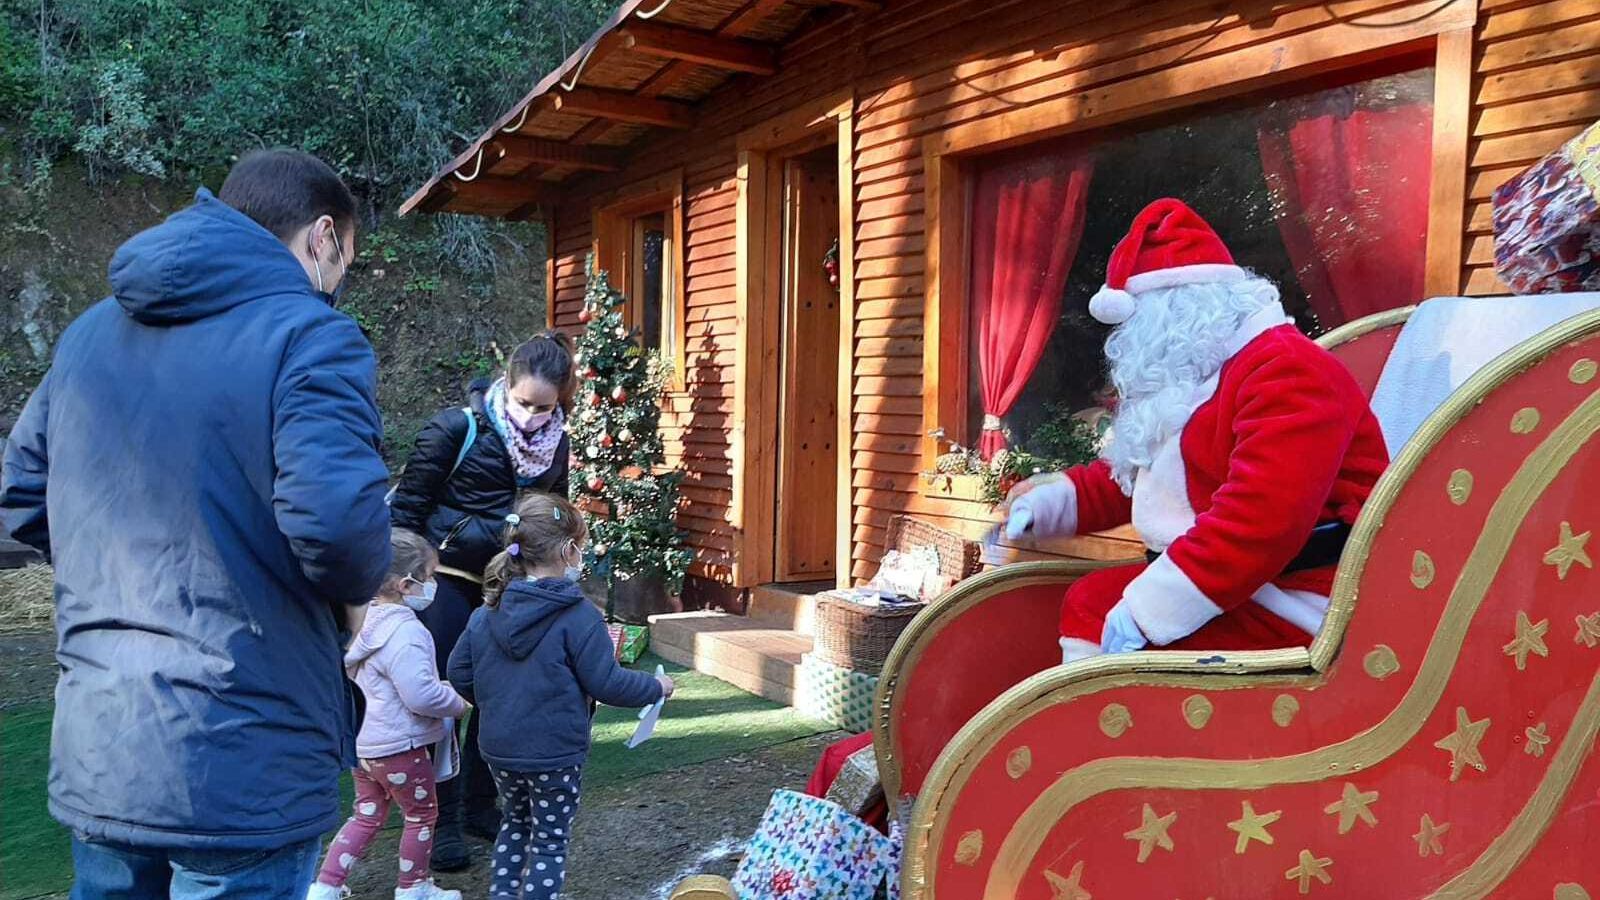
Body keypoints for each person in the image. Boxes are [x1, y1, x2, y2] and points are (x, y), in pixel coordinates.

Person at [0, 149, 391, 896]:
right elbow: (341, 531)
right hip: (243, 752)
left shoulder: (86, 336)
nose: (338, 284)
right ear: (323, 239)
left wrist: (122, 576)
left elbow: (23, 490)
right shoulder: (311, 335)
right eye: (345, 263)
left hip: (104, 744)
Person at [1004, 198, 1389, 662]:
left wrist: (1148, 611)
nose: (1123, 343)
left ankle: (1105, 731)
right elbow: (1142, 481)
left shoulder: (1288, 371)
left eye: (1135, 323)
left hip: (1306, 599)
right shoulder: (1196, 375)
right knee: (1089, 599)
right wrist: (1047, 505)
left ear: (1177, 312)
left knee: (1095, 605)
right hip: (1244, 584)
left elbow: (1259, 524)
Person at [389, 332, 575, 869]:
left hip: (507, 584)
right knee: (445, 696)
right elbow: (406, 511)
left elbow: (549, 512)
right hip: (444, 576)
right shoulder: (456, 428)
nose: (534, 417)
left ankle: (477, 803)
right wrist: (404, 586)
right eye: (524, 403)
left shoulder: (556, 442)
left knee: (497, 695)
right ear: (506, 384)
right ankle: (440, 817)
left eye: (546, 407)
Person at [446, 493, 673, 900]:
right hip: (555, 753)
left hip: (499, 749)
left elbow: (458, 672)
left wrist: (497, 700)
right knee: (550, 840)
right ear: (569, 550)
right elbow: (608, 683)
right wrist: (657, 687)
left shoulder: (486, 611)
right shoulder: (579, 615)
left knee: (514, 824)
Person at [310, 529, 469, 900]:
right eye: (429, 577)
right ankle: (414, 887)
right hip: (401, 746)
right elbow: (420, 695)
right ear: (405, 584)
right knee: (422, 816)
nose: (433, 586)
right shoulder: (406, 631)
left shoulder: (359, 624)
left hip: (363, 744)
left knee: (366, 813)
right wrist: (457, 701)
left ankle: (325, 885)